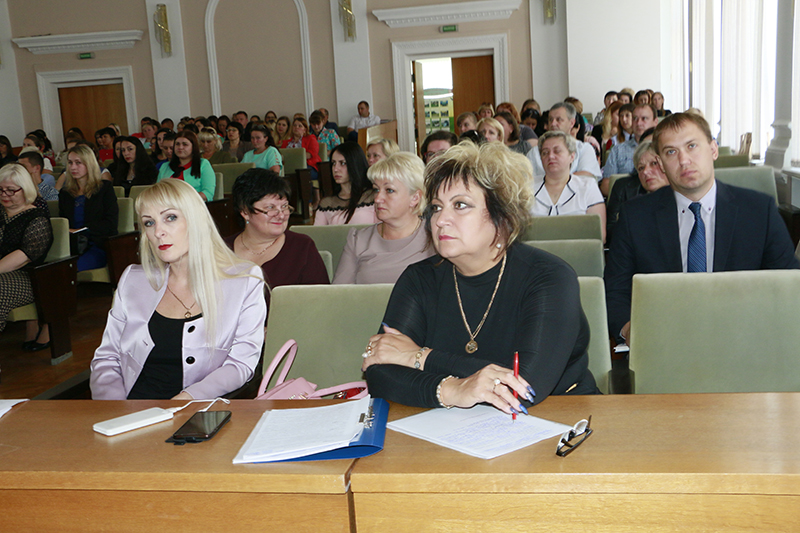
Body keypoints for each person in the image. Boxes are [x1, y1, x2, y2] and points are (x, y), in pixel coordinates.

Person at [362, 141, 598, 411]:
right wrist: (451, 390)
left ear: (503, 218)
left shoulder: (549, 278)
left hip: (558, 419)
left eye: (460, 205)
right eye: (437, 207)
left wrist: (418, 356)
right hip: (449, 428)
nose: (440, 220)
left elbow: (524, 387)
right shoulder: (419, 279)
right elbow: (379, 370)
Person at [604, 112, 800, 345]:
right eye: (671, 152)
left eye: (692, 146)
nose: (684, 160)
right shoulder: (635, 217)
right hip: (666, 342)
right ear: (662, 165)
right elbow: (615, 290)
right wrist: (629, 330)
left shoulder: (759, 211)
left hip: (745, 341)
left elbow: (788, 286)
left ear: (713, 150)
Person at [89, 179, 267, 400]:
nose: (158, 232)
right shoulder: (133, 280)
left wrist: (187, 400)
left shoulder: (244, 281)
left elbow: (241, 363)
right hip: (129, 414)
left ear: (195, 220)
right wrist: (115, 410)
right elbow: (107, 358)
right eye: (149, 223)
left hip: (195, 415)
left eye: (170, 218)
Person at [333, 152, 434, 284]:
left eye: (389, 190)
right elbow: (338, 295)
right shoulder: (358, 240)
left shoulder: (434, 238)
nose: (377, 198)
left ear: (415, 197)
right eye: (376, 189)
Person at [226, 168, 328, 289]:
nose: (281, 215)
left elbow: (321, 301)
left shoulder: (302, 248)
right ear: (245, 211)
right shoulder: (221, 250)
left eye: (284, 206)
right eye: (270, 207)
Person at [0, 164, 53, 346]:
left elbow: (23, 256)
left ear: (25, 189)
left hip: (28, 277)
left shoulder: (36, 218)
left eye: (11, 191)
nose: (4, 195)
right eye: (1, 190)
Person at [532, 131, 606, 242]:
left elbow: (599, 236)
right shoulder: (526, 188)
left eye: (557, 151)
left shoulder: (588, 187)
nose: (550, 156)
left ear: (572, 156)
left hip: (577, 254)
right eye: (545, 153)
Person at [59, 145, 119, 271]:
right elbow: (62, 221)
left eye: (78, 163)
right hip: (71, 245)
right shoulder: (65, 193)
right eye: (70, 163)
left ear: (89, 164)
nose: (73, 167)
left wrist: (82, 230)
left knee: (70, 269)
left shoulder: (104, 188)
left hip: (96, 244)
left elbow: (110, 224)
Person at [606, 140, 669, 244]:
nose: (645, 171)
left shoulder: (683, 197)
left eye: (654, 163)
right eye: (641, 168)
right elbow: (614, 235)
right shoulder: (632, 206)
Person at [526, 102, 601, 182]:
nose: (553, 124)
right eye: (550, 120)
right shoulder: (535, 152)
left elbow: (587, 176)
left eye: (559, 120)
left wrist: (552, 181)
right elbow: (527, 180)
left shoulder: (584, 149)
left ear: (572, 123)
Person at [314, 142, 377, 225]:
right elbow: (316, 235)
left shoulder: (374, 197)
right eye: (333, 163)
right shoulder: (327, 203)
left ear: (355, 164)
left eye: (342, 163)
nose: (336, 169)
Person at [157, 130, 216, 202]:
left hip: (194, 205)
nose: (180, 147)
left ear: (193, 147)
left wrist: (182, 200)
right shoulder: (165, 166)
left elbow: (208, 193)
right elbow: (157, 192)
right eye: (177, 144)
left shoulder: (203, 164)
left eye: (185, 144)